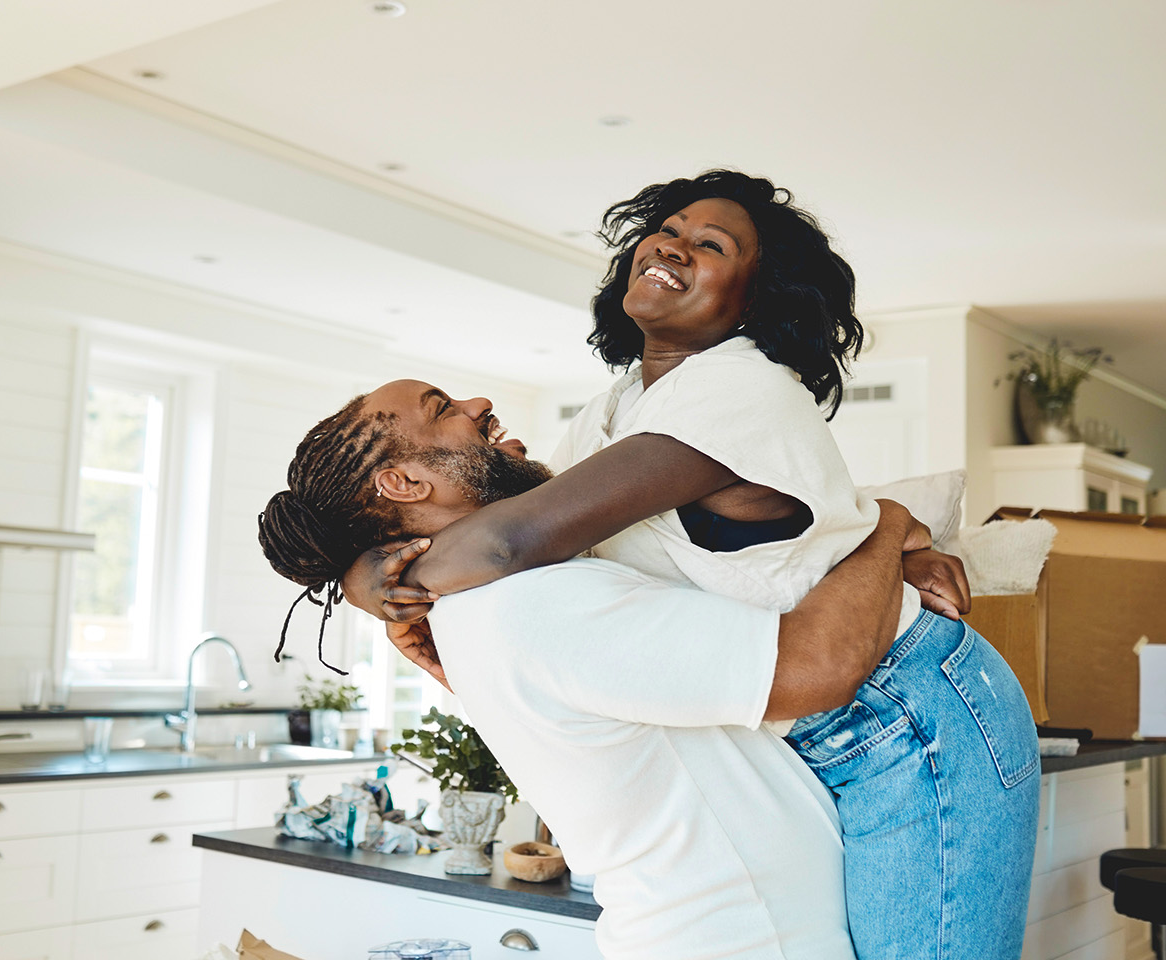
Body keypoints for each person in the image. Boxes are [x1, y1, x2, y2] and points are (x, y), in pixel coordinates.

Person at [264, 171, 1039, 960]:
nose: (671, 243)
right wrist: (372, 567)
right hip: (820, 714)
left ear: (756, 297)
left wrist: (374, 579)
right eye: (668, 227)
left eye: (711, 244)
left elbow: (505, 543)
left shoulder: (741, 389)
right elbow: (535, 580)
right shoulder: (622, 404)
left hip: (905, 706)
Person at [260, 390, 924, 958]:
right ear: (404, 483)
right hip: (744, 939)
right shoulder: (535, 605)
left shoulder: (479, 606)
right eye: (443, 409)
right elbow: (821, 668)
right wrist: (886, 524)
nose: (478, 404)